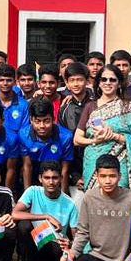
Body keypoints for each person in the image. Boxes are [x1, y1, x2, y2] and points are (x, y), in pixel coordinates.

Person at [76, 64, 131, 194]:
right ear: (98, 83)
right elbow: (77, 139)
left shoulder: (128, 107)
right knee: (96, 202)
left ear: (119, 83)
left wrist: (114, 136)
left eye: (112, 80)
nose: (108, 83)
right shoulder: (90, 107)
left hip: (121, 163)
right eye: (104, 79)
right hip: (94, 164)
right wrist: (96, 141)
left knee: (120, 203)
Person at [13, 161, 79, 261]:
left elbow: (77, 236)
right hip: (34, 245)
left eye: (55, 178)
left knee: (59, 245)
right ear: (40, 179)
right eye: (47, 178)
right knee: (23, 225)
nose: (51, 182)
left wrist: (71, 243)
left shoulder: (70, 203)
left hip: (55, 247)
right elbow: (15, 214)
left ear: (61, 178)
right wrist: (46, 217)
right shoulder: (33, 191)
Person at [20, 97, 73, 189]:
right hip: (35, 175)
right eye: (37, 121)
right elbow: (27, 166)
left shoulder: (65, 137)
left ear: (53, 119)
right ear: (31, 120)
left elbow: (65, 170)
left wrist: (64, 196)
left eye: (46, 121)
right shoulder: (24, 135)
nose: (42, 126)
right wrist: (27, 195)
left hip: (56, 176)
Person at [58, 62, 91, 193]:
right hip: (73, 166)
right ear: (66, 83)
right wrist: (75, 176)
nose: (76, 84)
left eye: (80, 80)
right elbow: (64, 143)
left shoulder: (97, 104)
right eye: (72, 80)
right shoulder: (64, 108)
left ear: (87, 81)